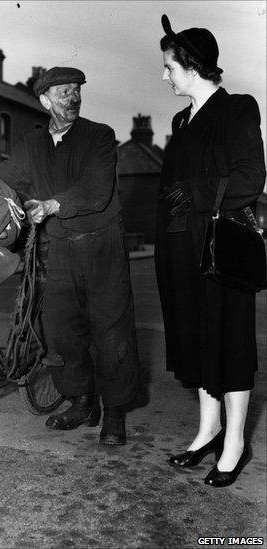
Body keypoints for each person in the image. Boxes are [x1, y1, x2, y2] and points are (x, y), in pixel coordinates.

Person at [0, 66, 140, 446]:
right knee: (62, 332)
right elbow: (4, 177)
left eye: (76, 90)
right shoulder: (32, 145)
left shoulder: (99, 137)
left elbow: (96, 189)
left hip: (102, 247)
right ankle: (83, 401)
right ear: (44, 100)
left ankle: (115, 413)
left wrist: (54, 204)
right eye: (63, 93)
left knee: (111, 332)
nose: (72, 98)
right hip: (57, 251)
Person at [155, 15, 266, 486]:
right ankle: (207, 432)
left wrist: (196, 194)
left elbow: (249, 178)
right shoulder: (182, 119)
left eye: (170, 67)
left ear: (194, 66)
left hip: (222, 247)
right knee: (197, 338)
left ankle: (235, 443)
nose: (165, 76)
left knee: (229, 341)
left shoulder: (238, 108)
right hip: (183, 247)